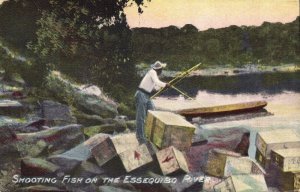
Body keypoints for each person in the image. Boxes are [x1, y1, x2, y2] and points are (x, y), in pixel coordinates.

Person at [135, 61, 170, 144]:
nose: (161, 72)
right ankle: (141, 138)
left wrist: (164, 87)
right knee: (141, 117)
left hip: (146, 96)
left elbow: (156, 87)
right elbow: (158, 82)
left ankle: (149, 135)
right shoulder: (152, 72)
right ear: (159, 69)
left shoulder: (154, 75)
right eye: (161, 70)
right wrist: (165, 85)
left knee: (153, 112)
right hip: (141, 94)